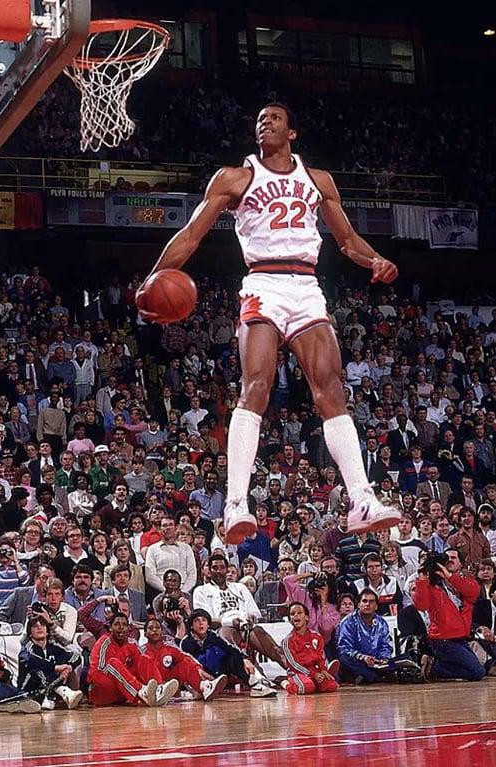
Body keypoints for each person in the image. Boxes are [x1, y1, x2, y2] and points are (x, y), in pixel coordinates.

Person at [137, 102, 400, 544]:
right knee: (256, 386)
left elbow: (347, 240)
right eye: (260, 119)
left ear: (292, 132)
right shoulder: (234, 178)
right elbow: (191, 234)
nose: (266, 122)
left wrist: (375, 260)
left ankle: (361, 499)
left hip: (305, 285)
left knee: (330, 389)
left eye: (274, 117)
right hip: (263, 282)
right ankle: (236, 503)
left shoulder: (319, 181)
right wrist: (153, 275)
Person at [413, 548, 485, 682]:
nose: (450, 560)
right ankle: (433, 668)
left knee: (477, 668)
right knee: (477, 672)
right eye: (447, 558)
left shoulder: (466, 580)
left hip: (461, 638)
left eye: (453, 558)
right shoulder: (431, 585)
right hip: (443, 640)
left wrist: (450, 577)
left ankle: (433, 663)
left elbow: (474, 592)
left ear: (461, 563)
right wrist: (422, 577)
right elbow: (421, 605)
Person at [88, 612, 177, 707]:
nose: (121, 627)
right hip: (102, 691)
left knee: (144, 658)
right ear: (110, 628)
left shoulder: (132, 643)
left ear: (129, 629)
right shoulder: (104, 642)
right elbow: (96, 673)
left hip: (124, 691)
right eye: (117, 624)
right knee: (113, 663)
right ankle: (142, 691)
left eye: (124, 625)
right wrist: (122, 675)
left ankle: (158, 691)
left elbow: (144, 665)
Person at [180, 609, 276, 698]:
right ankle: (200, 689)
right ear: (191, 626)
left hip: (218, 674)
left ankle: (255, 685)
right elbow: (185, 663)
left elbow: (231, 649)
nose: (201, 623)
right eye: (196, 620)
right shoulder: (186, 642)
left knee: (232, 656)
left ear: (208, 624)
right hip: (200, 674)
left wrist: (244, 659)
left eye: (204, 620)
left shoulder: (214, 636)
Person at [138, 618, 228, 702]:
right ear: (145, 633)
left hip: (169, 685)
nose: (154, 630)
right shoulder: (140, 651)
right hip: (152, 688)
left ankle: (204, 687)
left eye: (157, 628)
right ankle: (160, 691)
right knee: (146, 660)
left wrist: (198, 668)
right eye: (151, 628)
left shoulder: (169, 647)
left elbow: (186, 657)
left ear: (162, 632)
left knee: (184, 663)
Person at [18, 615, 82, 710]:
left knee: (63, 665)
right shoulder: (27, 649)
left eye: (43, 625)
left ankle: (48, 697)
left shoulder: (54, 648)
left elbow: (75, 656)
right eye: (35, 626)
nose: (39, 627)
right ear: (30, 633)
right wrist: (56, 667)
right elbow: (32, 661)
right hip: (29, 688)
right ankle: (65, 693)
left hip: (49, 686)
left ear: (47, 631)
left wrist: (68, 667)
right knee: (39, 671)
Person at [280, 602, 338, 695]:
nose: (295, 615)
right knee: (306, 687)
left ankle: (314, 684)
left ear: (307, 617)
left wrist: (323, 670)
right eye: (292, 614)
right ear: (290, 620)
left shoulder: (317, 636)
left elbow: (321, 657)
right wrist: (313, 675)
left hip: (314, 671)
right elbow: (294, 665)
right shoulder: (287, 641)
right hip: (297, 672)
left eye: (299, 613)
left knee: (331, 686)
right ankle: (286, 684)